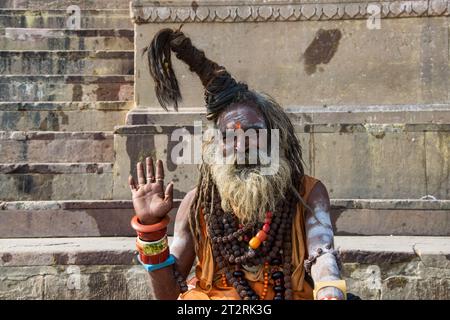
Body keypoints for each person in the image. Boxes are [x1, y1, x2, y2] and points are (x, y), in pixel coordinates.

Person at [128, 28, 346, 300]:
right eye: (230, 137)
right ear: (214, 146)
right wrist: (151, 229)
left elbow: (322, 255)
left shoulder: (307, 194)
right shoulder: (198, 205)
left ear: (275, 139)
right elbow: (168, 295)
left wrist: (329, 290)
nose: (242, 147)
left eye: (253, 134)